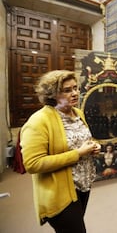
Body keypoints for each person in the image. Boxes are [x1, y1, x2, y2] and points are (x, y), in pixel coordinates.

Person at [20, 70, 101, 233]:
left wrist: (94, 146)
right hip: (59, 193)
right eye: (67, 90)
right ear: (52, 94)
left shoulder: (77, 113)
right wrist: (78, 154)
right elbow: (32, 164)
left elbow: (83, 140)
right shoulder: (38, 121)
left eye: (76, 88)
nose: (75, 93)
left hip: (83, 185)